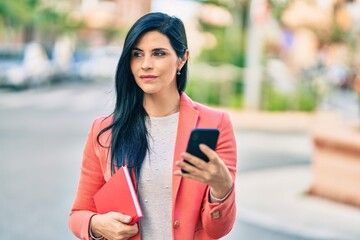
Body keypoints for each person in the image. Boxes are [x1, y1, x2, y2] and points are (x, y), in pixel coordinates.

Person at [68, 12, 237, 240]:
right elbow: (78, 214)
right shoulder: (104, 130)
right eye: (137, 54)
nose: (145, 65)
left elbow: (218, 229)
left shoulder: (214, 124)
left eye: (158, 53)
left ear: (182, 58)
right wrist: (96, 224)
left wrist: (222, 188)